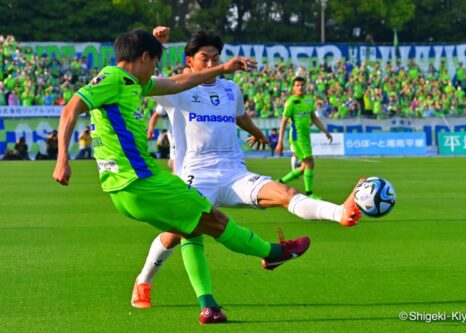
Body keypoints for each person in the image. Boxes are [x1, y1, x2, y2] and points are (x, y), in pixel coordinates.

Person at [52, 28, 311, 325]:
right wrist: (63, 159)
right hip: (143, 182)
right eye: (154, 61)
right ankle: (273, 252)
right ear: (144, 57)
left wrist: (220, 68)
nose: (155, 70)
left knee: (192, 229)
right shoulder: (113, 79)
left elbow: (177, 83)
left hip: (122, 191)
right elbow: (70, 109)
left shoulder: (133, 83)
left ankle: (207, 304)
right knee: (215, 220)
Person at [132, 27, 363, 316]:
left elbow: (238, 115)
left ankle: (340, 213)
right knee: (180, 234)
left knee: (284, 193)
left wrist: (257, 132)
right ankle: (152, 283)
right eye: (205, 58)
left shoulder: (231, 89)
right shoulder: (175, 88)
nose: (212, 64)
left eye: (216, 57)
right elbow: (140, 79)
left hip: (233, 171)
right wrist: (156, 43)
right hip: (195, 173)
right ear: (189, 60)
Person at [276, 77, 333, 199]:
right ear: (293, 88)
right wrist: (280, 142)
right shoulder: (291, 102)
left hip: (306, 137)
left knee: (303, 167)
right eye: (297, 85)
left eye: (302, 84)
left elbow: (314, 118)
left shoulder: (309, 100)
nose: (300, 87)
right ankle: (309, 193)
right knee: (310, 162)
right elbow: (283, 122)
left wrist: (325, 131)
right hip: (297, 137)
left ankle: (279, 182)